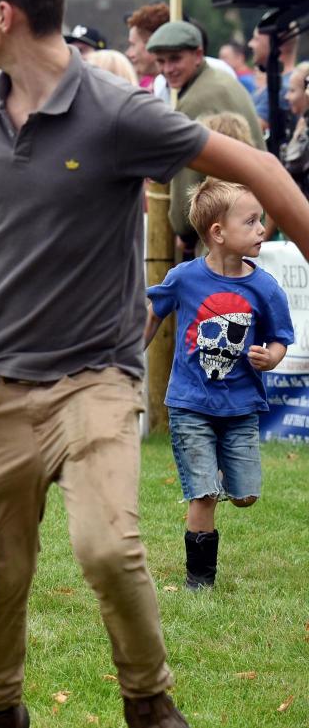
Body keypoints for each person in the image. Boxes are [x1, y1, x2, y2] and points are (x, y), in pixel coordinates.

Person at [0, 0, 309, 727]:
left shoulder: (117, 112)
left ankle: (149, 701)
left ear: (3, 13)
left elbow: (262, 168)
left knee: (107, 548)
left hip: (94, 378)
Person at [144, 178, 292, 590]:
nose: (262, 229)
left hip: (242, 407)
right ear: (218, 233)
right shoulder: (184, 278)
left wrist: (272, 356)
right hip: (190, 404)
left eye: (261, 221)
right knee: (203, 495)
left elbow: (281, 338)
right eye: (251, 222)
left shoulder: (264, 287)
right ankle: (200, 581)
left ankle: (222, 474)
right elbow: (153, 313)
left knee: (244, 496)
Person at [147, 21, 263, 246]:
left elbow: (184, 213)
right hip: (252, 225)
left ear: (198, 54)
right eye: (161, 61)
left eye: (175, 59)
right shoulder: (225, 81)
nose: (167, 69)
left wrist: (181, 230)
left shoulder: (194, 101)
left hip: (225, 239)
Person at [280, 63, 309, 198]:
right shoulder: (299, 122)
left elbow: (291, 168)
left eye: (292, 91)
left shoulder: (305, 130)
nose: (287, 97)